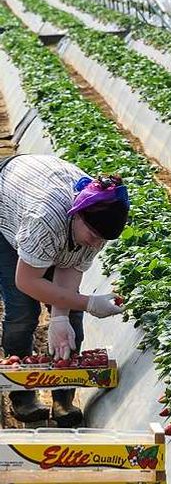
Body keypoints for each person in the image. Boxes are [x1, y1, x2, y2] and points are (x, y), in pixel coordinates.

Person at [0, 154, 129, 426]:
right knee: (22, 311)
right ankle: (23, 397)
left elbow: (69, 270)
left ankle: (63, 399)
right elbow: (27, 281)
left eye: (102, 240)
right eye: (93, 236)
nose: (96, 244)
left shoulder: (98, 226)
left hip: (45, 200)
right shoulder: (45, 219)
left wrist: (60, 317)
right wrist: (90, 303)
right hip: (8, 206)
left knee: (71, 316)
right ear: (77, 213)